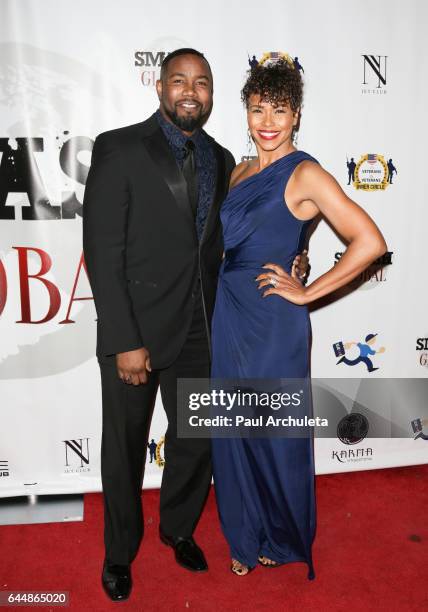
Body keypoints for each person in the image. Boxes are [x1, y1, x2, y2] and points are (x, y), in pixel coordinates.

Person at [83, 48, 309, 602]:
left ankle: (178, 528)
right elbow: (102, 250)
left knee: (194, 442)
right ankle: (119, 552)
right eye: (180, 80)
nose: (191, 90)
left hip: (205, 332)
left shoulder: (224, 156)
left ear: (211, 94)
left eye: (202, 82)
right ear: (159, 86)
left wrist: (299, 255)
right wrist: (124, 340)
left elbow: (256, 228)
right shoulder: (119, 147)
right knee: (125, 447)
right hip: (136, 334)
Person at [211, 59, 387, 577]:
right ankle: (244, 538)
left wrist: (307, 291)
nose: (268, 120)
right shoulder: (241, 170)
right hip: (230, 311)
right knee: (233, 426)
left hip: (273, 320)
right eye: (258, 108)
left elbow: (370, 242)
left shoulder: (306, 172)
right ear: (245, 112)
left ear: (297, 115)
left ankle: (283, 536)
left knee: (272, 430)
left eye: (280, 110)